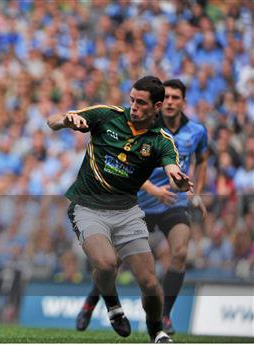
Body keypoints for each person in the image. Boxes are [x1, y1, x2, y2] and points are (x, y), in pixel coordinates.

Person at [47, 76, 193, 343]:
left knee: (149, 283)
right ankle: (113, 307)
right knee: (106, 263)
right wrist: (67, 120)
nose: (134, 106)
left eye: (141, 103)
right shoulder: (107, 115)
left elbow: (173, 170)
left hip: (126, 211)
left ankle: (156, 331)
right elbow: (52, 121)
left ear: (156, 106)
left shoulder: (161, 139)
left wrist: (179, 181)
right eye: (132, 100)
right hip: (87, 205)